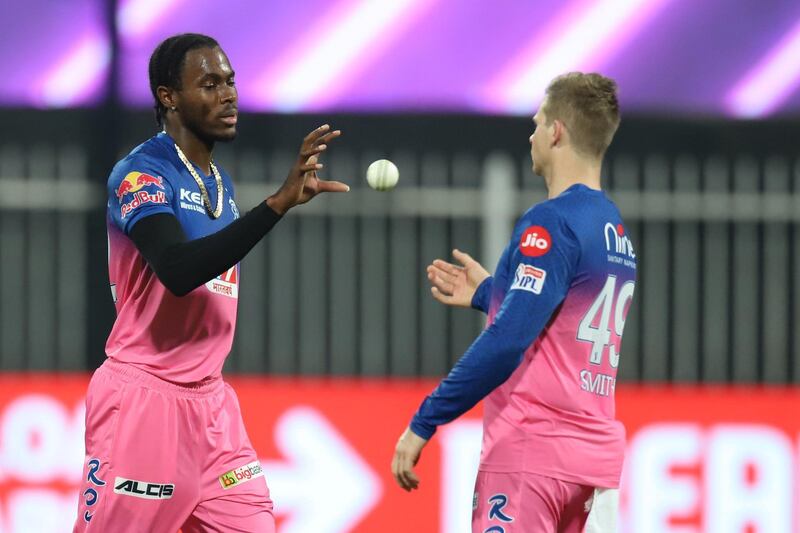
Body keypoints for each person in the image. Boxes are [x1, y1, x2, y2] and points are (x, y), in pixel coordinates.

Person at [73, 33, 348, 532]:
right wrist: (278, 204)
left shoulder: (220, 182)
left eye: (230, 81)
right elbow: (178, 270)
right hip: (145, 401)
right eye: (209, 84)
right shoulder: (140, 174)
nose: (228, 95)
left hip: (213, 408)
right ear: (169, 97)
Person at [392, 72, 636, 532]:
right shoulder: (615, 231)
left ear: (556, 131)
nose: (531, 134)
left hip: (532, 454)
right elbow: (561, 321)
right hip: (594, 467)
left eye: (537, 122)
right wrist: (491, 293)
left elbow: (507, 342)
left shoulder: (550, 222)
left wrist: (425, 420)